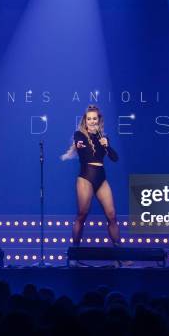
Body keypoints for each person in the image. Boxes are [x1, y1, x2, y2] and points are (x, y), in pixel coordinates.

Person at [61, 105, 120, 246]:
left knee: (112, 216)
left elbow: (115, 158)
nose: (92, 121)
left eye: (94, 118)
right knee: (82, 215)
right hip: (85, 177)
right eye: (89, 119)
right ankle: (75, 254)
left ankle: (120, 255)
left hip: (101, 178)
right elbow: (79, 143)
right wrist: (79, 145)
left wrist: (107, 146)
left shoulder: (104, 138)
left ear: (98, 120)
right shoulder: (79, 134)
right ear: (85, 121)